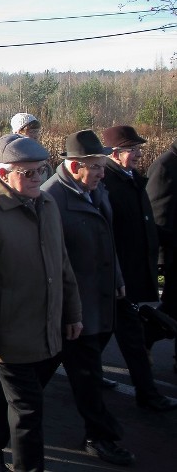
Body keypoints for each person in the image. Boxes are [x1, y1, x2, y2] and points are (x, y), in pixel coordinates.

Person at [0, 133, 82, 472]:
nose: (38, 178)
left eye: (41, 170)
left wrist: (72, 311)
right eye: (28, 173)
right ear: (2, 172)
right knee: (28, 413)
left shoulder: (48, 204)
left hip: (47, 331)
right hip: (10, 339)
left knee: (6, 401)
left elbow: (62, 263)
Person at [42, 130, 134, 466]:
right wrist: (68, 311)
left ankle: (4, 421)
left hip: (100, 298)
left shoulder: (95, 188)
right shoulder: (51, 198)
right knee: (87, 374)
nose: (102, 171)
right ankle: (100, 437)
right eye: (96, 166)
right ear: (77, 165)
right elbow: (52, 262)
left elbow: (107, 238)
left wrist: (118, 278)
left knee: (34, 377)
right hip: (74, 308)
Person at [101, 125, 177, 412]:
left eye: (137, 149)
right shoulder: (106, 180)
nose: (138, 154)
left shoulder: (129, 178)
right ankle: (147, 394)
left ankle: (83, 374)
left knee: (103, 333)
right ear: (115, 153)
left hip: (129, 271)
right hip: (117, 272)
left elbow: (148, 223)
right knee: (130, 335)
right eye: (132, 150)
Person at [146, 136, 177, 372]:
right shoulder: (166, 165)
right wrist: (159, 260)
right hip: (173, 253)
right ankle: (143, 339)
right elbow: (158, 216)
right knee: (172, 309)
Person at [11, 112, 52, 180]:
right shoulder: (11, 156)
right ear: (17, 133)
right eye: (31, 132)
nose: (35, 136)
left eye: (36, 132)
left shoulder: (39, 153)